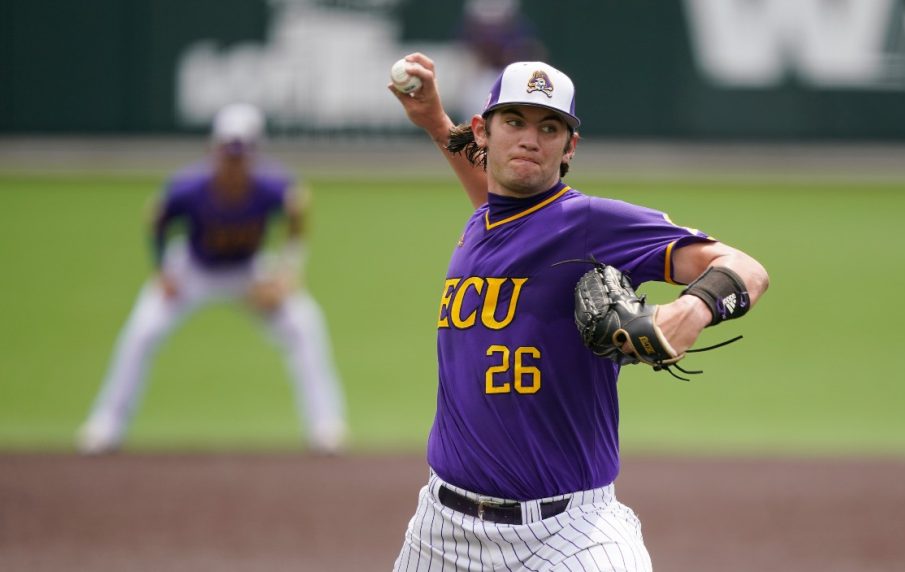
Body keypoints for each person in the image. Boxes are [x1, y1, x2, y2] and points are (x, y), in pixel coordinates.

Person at [387, 54, 769, 570]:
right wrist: (435, 120)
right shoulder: (487, 222)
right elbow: (494, 197)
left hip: (569, 534)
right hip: (441, 532)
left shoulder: (591, 224)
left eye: (550, 128)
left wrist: (690, 309)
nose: (530, 139)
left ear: (570, 147)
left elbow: (746, 268)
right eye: (514, 122)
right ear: (482, 131)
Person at [77, 103, 348, 455]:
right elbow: (156, 219)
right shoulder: (189, 188)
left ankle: (325, 426)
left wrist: (285, 274)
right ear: (214, 150)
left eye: (241, 154)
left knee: (304, 324)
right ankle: (106, 425)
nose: (234, 162)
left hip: (249, 271)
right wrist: (162, 270)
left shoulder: (272, 186)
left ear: (254, 154)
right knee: (142, 332)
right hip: (193, 269)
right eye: (228, 153)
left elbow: (298, 215)